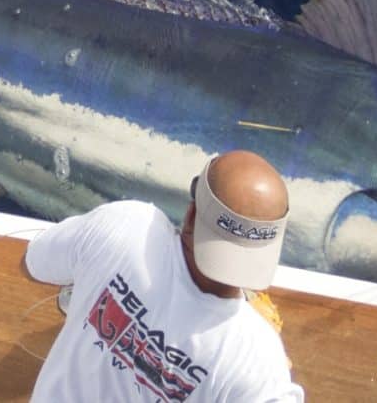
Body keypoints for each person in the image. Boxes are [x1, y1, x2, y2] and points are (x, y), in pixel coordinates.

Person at [23, 150, 305, 402]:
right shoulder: (256, 358)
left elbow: (33, 264)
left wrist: (94, 293)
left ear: (192, 214)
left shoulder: (126, 226)